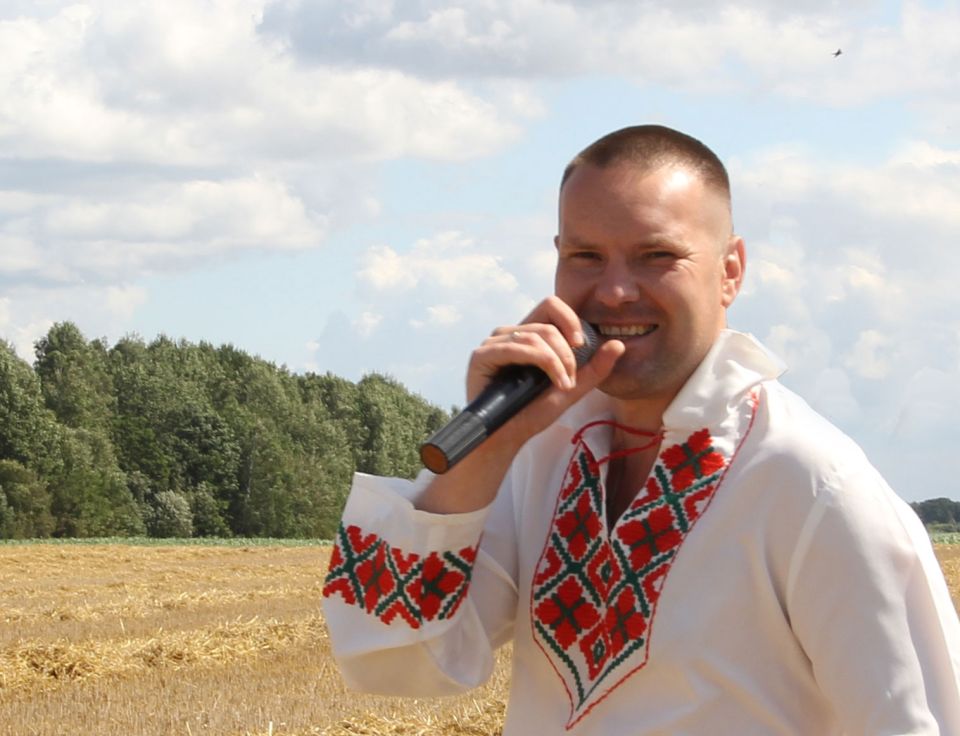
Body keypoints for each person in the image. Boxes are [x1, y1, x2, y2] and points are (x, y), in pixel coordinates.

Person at [322, 125, 960, 734]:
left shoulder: (812, 484)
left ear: (730, 271)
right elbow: (395, 659)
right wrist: (488, 450)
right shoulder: (542, 452)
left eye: (657, 256)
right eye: (586, 256)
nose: (615, 291)